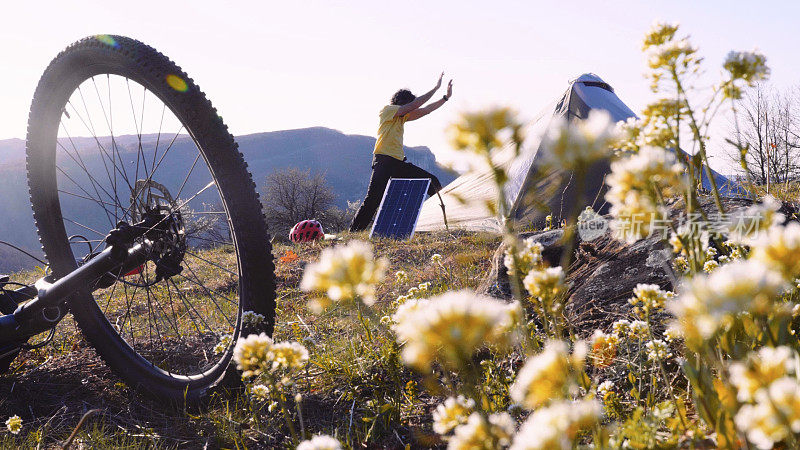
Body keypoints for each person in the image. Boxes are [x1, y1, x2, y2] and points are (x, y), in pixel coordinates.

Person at [349, 73, 453, 232]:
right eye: (409, 103)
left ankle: (447, 222)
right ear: (401, 102)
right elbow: (414, 106)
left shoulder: (402, 118)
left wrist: (445, 98)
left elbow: (425, 110)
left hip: (398, 163)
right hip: (383, 162)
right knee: (373, 200)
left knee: (432, 181)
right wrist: (436, 88)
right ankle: (353, 232)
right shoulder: (387, 110)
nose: (412, 106)